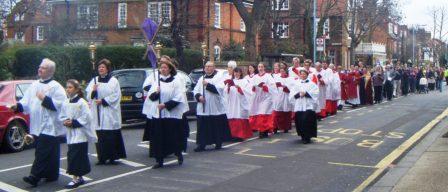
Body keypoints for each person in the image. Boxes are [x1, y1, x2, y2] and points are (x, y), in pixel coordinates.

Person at [10, 58, 67, 187]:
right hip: (37, 124)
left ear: (50, 71)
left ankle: (34, 176)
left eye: (43, 68)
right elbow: (26, 101)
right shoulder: (35, 85)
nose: (39, 69)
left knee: (42, 151)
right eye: (39, 67)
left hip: (50, 125)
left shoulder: (56, 87)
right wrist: (18, 106)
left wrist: (45, 99)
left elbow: (62, 105)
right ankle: (52, 174)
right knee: (51, 151)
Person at [146, 61, 189, 168]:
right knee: (159, 137)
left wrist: (165, 105)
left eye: (165, 67)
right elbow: (150, 97)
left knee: (173, 137)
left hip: (171, 114)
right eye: (161, 68)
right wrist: (156, 93)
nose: (163, 69)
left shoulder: (176, 82)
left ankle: (178, 153)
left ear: (170, 69)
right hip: (159, 114)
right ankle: (159, 160)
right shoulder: (157, 82)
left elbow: (179, 98)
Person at [86, 59, 126, 165]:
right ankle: (102, 157)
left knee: (110, 134)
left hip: (109, 111)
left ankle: (113, 157)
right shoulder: (94, 80)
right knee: (100, 135)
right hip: (97, 111)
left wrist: (103, 101)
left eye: (103, 67)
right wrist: (93, 91)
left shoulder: (113, 81)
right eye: (99, 67)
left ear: (107, 69)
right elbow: (88, 95)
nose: (101, 69)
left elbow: (116, 95)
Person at [59, 79, 97, 189]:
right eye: (67, 87)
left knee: (76, 156)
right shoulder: (65, 102)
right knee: (74, 155)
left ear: (76, 89)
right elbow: (61, 115)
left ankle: (75, 179)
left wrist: (74, 122)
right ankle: (79, 177)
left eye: (70, 87)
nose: (67, 89)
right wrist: (65, 121)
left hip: (80, 133)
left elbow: (87, 117)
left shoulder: (82, 102)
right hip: (70, 133)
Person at [193, 61, 231, 152]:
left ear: (214, 67)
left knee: (216, 126)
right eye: (206, 66)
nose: (207, 68)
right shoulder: (201, 78)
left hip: (215, 107)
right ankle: (202, 144)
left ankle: (218, 142)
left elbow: (220, 90)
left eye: (209, 66)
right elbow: (195, 90)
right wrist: (199, 97)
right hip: (203, 107)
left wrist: (207, 85)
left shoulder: (219, 77)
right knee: (203, 127)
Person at [289, 70, 319, 144]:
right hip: (299, 105)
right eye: (301, 74)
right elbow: (291, 95)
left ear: (307, 75)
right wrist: (299, 95)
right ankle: (303, 135)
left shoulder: (312, 84)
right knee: (300, 121)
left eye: (304, 74)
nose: (302, 75)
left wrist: (306, 94)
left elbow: (316, 93)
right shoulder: (296, 83)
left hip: (308, 105)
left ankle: (307, 136)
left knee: (306, 120)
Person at [223, 67, 253, 141]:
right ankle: (233, 135)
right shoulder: (231, 81)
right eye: (235, 72)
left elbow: (249, 92)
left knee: (239, 117)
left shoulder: (244, 81)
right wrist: (228, 87)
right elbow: (225, 92)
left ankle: (240, 135)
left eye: (238, 72)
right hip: (232, 103)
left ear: (240, 73)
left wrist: (240, 88)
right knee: (232, 118)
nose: (236, 74)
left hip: (240, 103)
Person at [249, 63, 277, 138]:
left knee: (263, 114)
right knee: (259, 114)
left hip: (266, 97)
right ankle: (263, 130)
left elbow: (273, 87)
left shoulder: (268, 76)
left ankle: (263, 131)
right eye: (259, 67)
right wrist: (254, 87)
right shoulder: (255, 77)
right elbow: (251, 86)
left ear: (264, 68)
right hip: (258, 97)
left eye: (262, 67)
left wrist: (266, 87)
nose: (260, 68)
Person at [272, 63, 293, 133]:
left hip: (286, 96)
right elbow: (273, 86)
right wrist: (276, 86)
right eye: (281, 71)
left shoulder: (289, 78)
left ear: (285, 71)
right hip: (278, 96)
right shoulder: (277, 78)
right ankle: (276, 127)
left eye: (283, 71)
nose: (282, 73)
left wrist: (286, 87)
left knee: (286, 112)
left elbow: (292, 88)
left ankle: (285, 127)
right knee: (277, 112)